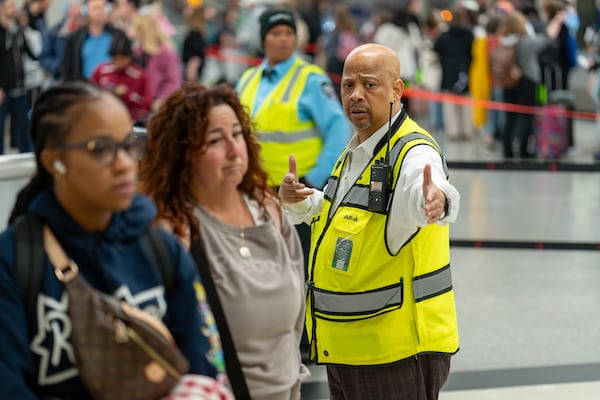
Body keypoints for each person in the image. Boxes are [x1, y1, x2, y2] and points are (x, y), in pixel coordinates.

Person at [0, 81, 219, 398]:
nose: (124, 164)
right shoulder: (16, 261)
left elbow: (202, 366)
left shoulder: (162, 250)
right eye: (100, 149)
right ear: (53, 161)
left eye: (128, 144)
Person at [279, 43, 460, 400]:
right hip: (348, 347)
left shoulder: (412, 151)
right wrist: (304, 202)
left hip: (394, 351)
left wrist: (434, 200)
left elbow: (420, 186)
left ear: (397, 90)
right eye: (348, 86)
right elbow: (347, 212)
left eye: (370, 85)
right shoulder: (357, 151)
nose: (356, 95)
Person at [138, 82, 309, 400]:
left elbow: (294, 324)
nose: (234, 150)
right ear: (183, 154)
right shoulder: (174, 231)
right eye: (215, 140)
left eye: (237, 133)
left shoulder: (267, 209)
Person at [90, 33, 152, 126]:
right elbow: (91, 95)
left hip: (131, 123)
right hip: (103, 121)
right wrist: (110, 94)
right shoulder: (101, 71)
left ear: (129, 57)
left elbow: (146, 104)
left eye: (122, 58)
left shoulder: (139, 75)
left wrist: (127, 94)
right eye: (115, 58)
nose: (119, 62)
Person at [60, 0, 128, 81]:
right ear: (86, 11)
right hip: (85, 89)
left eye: (103, 7)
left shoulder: (118, 36)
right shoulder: (76, 38)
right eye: (95, 8)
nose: (100, 12)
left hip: (112, 88)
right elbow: (69, 68)